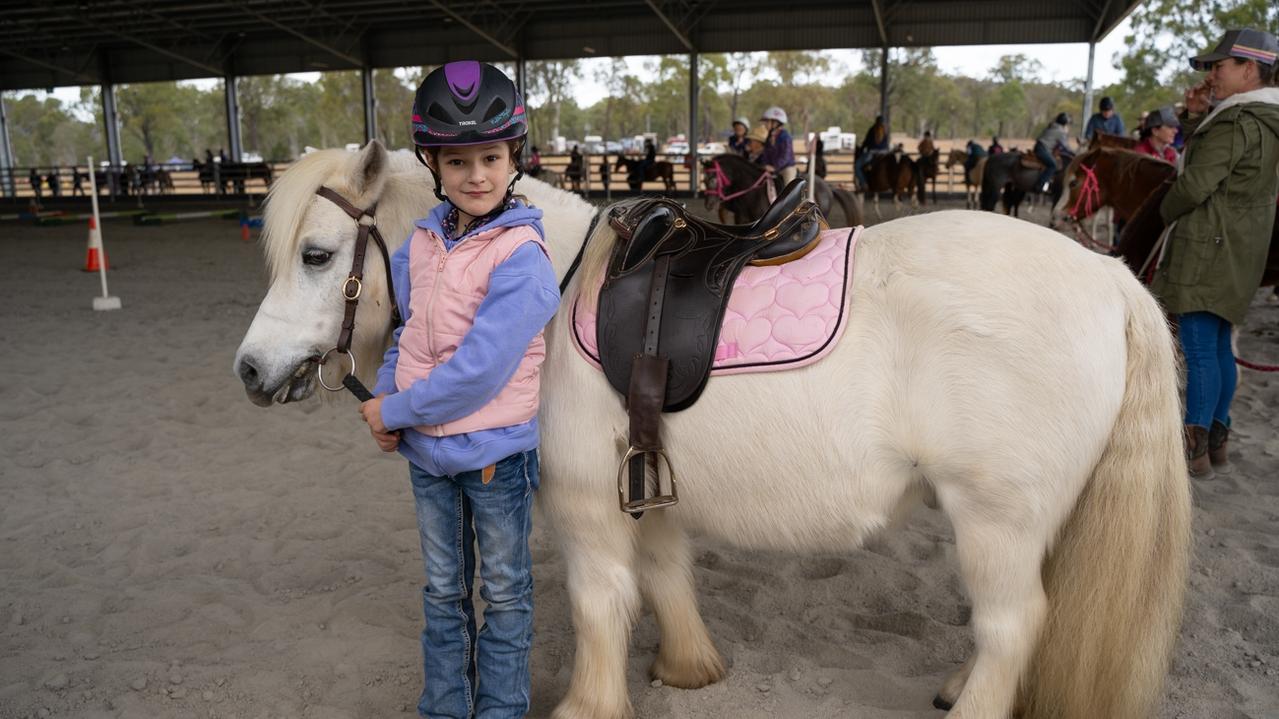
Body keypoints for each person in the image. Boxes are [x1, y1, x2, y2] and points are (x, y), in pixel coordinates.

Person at [361, 60, 560, 718]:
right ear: (432, 165)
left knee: (503, 592)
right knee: (443, 590)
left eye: (490, 158)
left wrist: (396, 406)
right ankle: (445, 706)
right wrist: (389, 397)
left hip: (494, 458)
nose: (475, 175)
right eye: (456, 162)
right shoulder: (420, 242)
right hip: (427, 457)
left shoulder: (523, 257)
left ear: (514, 160)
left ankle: (500, 708)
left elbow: (479, 370)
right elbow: (407, 332)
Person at [1149, 28, 1279, 478]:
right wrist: (1195, 115)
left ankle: (1193, 447)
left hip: (1209, 244)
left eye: (1219, 66)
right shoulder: (1259, 117)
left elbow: (1195, 183)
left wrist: (1161, 213)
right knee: (1220, 346)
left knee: (1200, 349)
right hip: (1240, 247)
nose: (1211, 75)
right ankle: (1216, 441)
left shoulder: (1237, 122)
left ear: (1248, 69)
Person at [1033, 112, 1073, 193]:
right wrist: (1074, 153)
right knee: (1053, 165)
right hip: (1043, 150)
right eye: (1067, 124)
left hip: (1038, 147)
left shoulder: (1051, 126)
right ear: (1064, 124)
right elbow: (1066, 146)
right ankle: (1040, 185)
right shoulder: (1061, 131)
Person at [759, 106, 796, 186]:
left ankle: (792, 198)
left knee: (788, 186)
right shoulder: (769, 137)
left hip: (786, 168)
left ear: (776, 123)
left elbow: (785, 156)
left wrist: (775, 167)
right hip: (771, 168)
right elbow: (766, 154)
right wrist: (765, 164)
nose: (765, 124)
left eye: (767, 122)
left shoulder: (785, 137)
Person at [855, 115, 890, 188]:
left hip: (872, 153)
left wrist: (862, 148)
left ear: (876, 121)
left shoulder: (872, 129)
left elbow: (867, 142)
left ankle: (863, 183)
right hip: (884, 153)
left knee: (857, 166)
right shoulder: (885, 130)